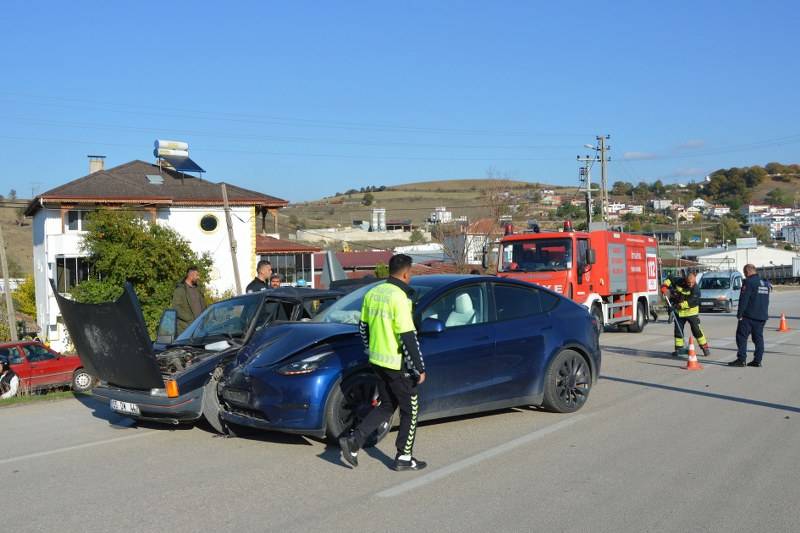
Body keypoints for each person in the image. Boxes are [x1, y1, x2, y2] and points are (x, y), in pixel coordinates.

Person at [339, 254, 427, 471]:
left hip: (377, 360)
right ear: (406, 273)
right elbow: (407, 335)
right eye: (411, 273)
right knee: (411, 409)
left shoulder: (373, 292)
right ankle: (404, 457)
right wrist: (419, 367)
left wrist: (370, 348)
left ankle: (353, 442)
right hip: (396, 363)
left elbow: (363, 327)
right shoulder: (400, 298)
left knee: (387, 405)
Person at [729, 264, 770, 367]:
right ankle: (757, 360)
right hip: (762, 316)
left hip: (749, 316)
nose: (745, 275)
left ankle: (741, 359)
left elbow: (744, 299)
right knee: (758, 339)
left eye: (744, 273)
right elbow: (766, 300)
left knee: (741, 337)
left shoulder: (748, 282)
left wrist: (739, 314)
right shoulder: (765, 283)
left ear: (747, 272)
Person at [661, 271, 710, 357]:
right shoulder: (679, 281)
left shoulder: (696, 290)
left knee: (696, 330)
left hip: (691, 312)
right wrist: (664, 286)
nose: (691, 284)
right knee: (678, 331)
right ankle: (679, 349)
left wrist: (676, 306)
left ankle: (704, 347)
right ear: (685, 280)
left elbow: (690, 302)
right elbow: (670, 279)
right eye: (689, 282)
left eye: (692, 282)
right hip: (679, 313)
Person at [171, 266, 207, 334]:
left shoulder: (198, 289)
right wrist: (190, 319)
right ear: (191, 275)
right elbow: (176, 308)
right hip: (187, 329)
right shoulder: (180, 290)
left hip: (201, 327)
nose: (198, 277)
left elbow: (204, 306)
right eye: (197, 275)